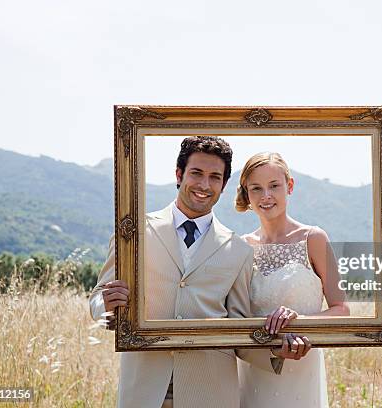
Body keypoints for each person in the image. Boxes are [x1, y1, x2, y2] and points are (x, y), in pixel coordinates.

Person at [88, 137, 309, 408]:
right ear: (179, 175)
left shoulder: (238, 250)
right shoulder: (132, 232)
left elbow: (239, 328)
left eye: (215, 177)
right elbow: (98, 298)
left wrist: (276, 350)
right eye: (196, 173)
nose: (205, 185)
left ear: (224, 185)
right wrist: (107, 306)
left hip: (210, 393)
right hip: (143, 390)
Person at [235, 152, 350, 407]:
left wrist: (302, 322)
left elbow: (341, 309)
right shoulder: (241, 247)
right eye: (256, 188)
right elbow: (236, 316)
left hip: (303, 367)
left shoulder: (314, 238)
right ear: (247, 193)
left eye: (274, 186)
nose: (266, 195)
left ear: (289, 186)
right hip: (255, 370)